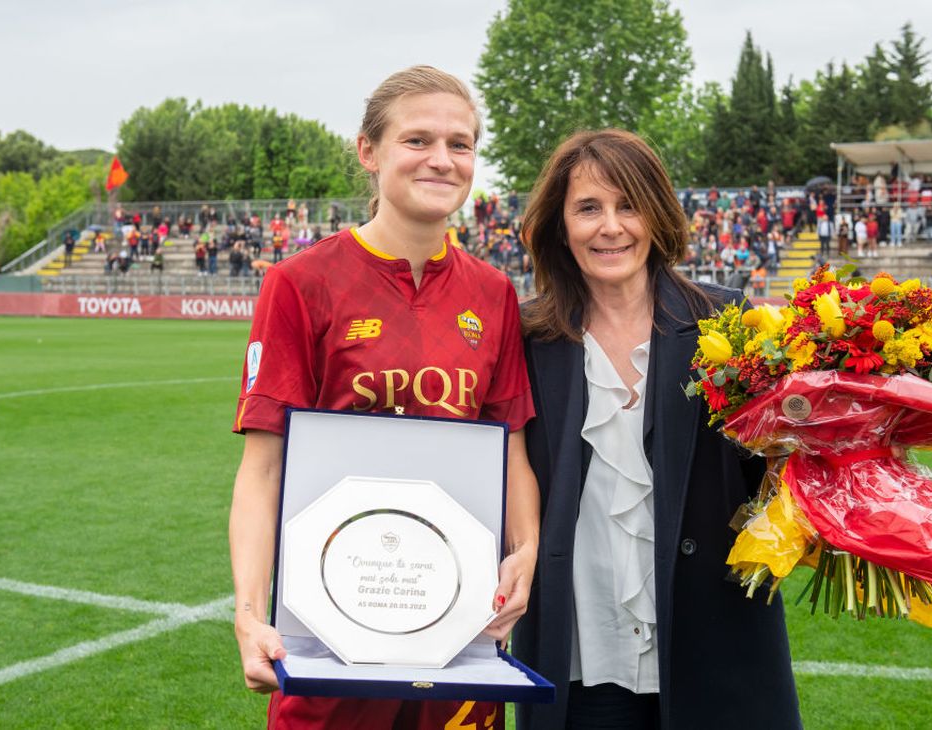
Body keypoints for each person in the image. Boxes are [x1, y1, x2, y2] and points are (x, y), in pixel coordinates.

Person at [228, 66, 540, 730]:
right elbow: (262, 469)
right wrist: (250, 613)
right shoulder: (300, 283)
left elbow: (509, 446)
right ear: (369, 152)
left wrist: (528, 548)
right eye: (418, 139)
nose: (442, 159)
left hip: (460, 629)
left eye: (461, 144)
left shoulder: (494, 294)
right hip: (328, 627)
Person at [515, 129, 800, 730]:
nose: (610, 227)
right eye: (588, 208)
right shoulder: (528, 338)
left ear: (657, 215)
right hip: (580, 654)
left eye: (628, 205)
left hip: (715, 652)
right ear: (560, 225)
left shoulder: (728, 323)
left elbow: (775, 471)